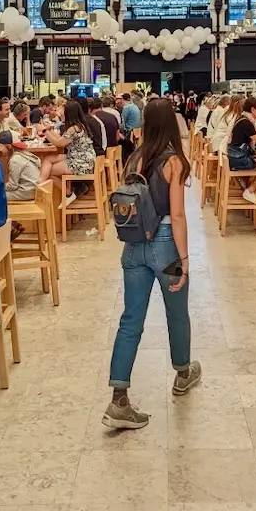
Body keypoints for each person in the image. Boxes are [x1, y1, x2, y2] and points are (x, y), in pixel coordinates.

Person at [104, 98, 200, 430]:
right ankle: (183, 371)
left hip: (133, 248)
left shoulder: (135, 157)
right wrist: (184, 259)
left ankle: (119, 399)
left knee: (130, 320)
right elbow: (176, 215)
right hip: (164, 247)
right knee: (177, 311)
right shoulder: (174, 162)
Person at [38, 100, 96, 205]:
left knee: (48, 171)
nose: (60, 112)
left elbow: (59, 143)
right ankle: (40, 184)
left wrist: (44, 131)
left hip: (81, 162)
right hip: (81, 157)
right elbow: (61, 139)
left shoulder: (73, 129)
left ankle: (66, 193)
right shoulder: (79, 125)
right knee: (48, 159)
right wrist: (49, 130)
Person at [0, 132, 41, 201]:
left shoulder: (15, 160)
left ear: (9, 146)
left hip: (27, 192)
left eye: (0, 146)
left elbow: (13, 186)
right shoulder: (22, 154)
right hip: (32, 189)